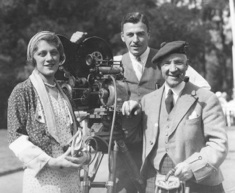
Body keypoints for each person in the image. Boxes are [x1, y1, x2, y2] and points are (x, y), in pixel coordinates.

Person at [70, 12, 211, 193]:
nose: (135, 39)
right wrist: (75, 48)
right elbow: (83, 86)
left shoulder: (165, 60)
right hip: (123, 145)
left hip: (159, 145)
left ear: (148, 35)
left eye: (140, 34)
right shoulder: (113, 63)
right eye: (130, 34)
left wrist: (176, 110)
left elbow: (204, 89)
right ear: (122, 37)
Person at [122, 40, 228, 193]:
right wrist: (130, 117)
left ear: (187, 65)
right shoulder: (147, 101)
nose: (173, 69)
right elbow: (135, 139)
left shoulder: (206, 98)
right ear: (159, 67)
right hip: (155, 183)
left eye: (178, 62)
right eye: (166, 63)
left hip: (198, 184)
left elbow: (219, 144)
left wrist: (192, 167)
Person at [7, 31, 88, 193]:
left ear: (61, 57)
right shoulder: (23, 91)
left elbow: (74, 133)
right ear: (33, 58)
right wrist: (51, 162)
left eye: (54, 53)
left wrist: (82, 153)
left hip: (70, 179)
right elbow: (16, 139)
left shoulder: (64, 93)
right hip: (43, 179)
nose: (49, 58)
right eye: (42, 53)